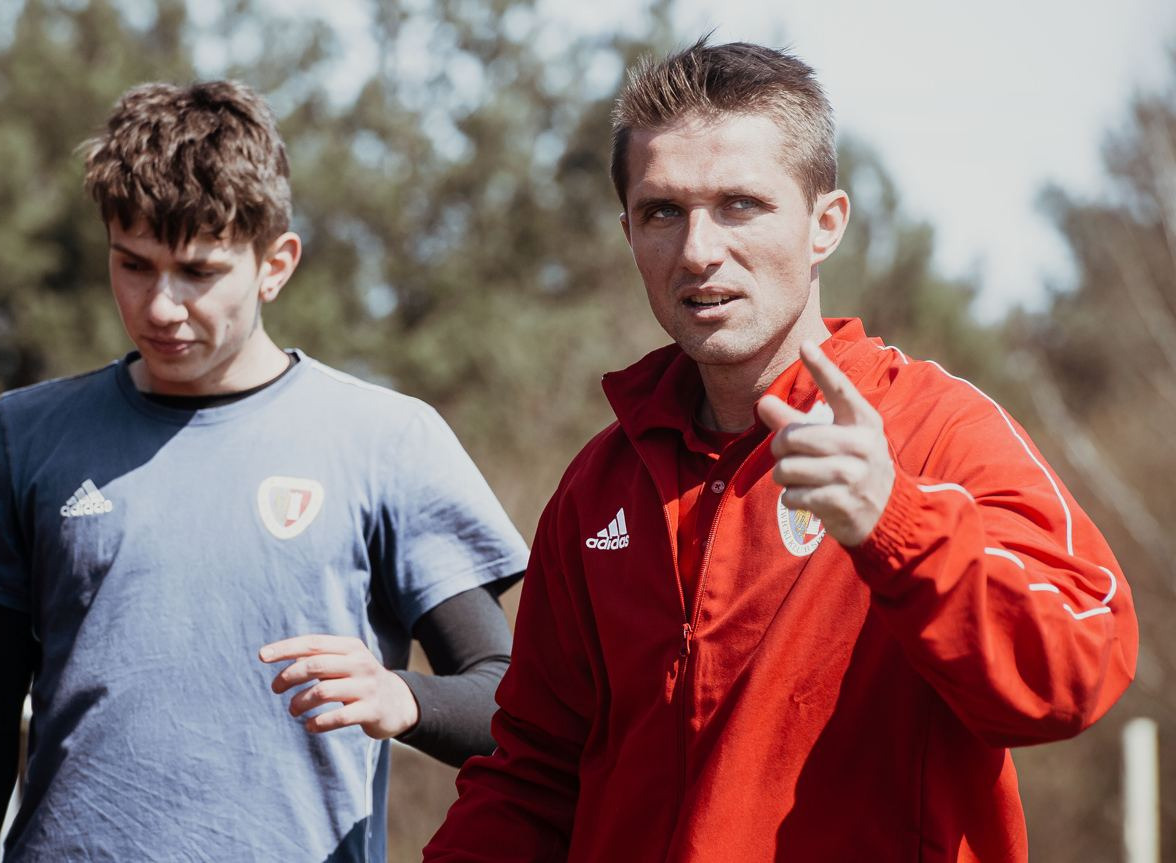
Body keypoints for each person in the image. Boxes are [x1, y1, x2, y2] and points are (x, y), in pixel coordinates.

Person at [424, 39, 1137, 862]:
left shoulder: (937, 430)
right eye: (662, 212)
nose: (698, 250)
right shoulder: (599, 485)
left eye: (740, 205)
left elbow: (1074, 672)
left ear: (825, 224)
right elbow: (533, 778)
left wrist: (897, 524)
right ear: (628, 232)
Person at [0, 80, 528, 862]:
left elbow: (511, 699)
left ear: (276, 264)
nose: (161, 306)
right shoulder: (23, 437)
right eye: (134, 264)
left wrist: (402, 694)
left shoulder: (388, 441)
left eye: (199, 272)